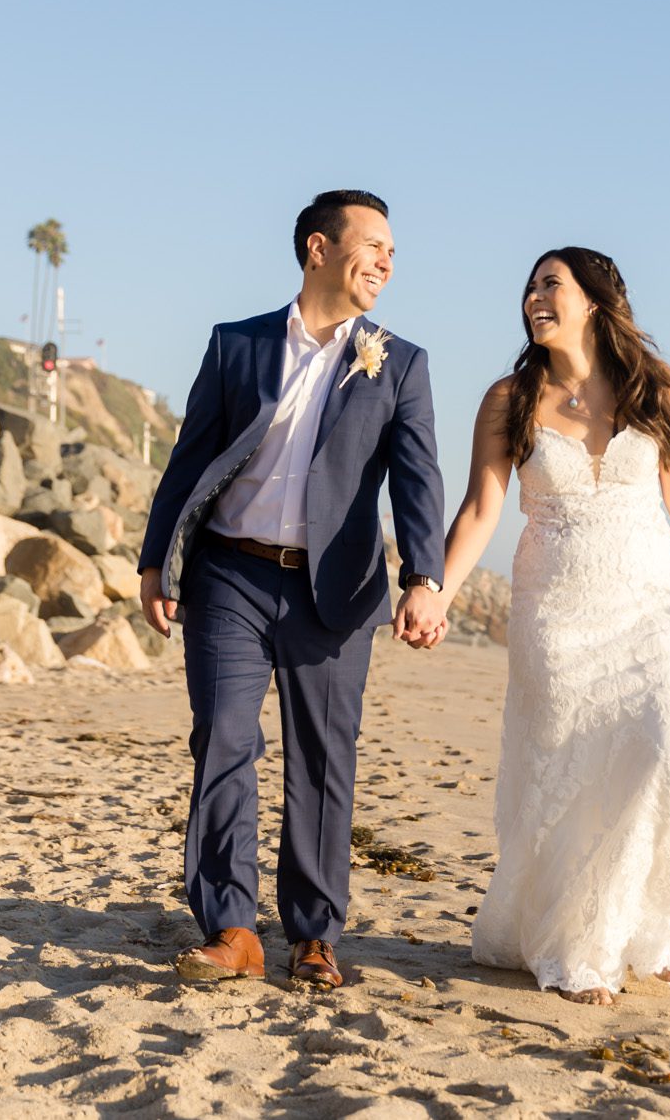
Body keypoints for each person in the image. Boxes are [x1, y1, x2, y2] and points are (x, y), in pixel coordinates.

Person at [137, 189, 446, 992]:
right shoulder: (236, 344)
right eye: (372, 243)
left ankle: (313, 936)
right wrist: (155, 564)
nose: (385, 260)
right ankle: (233, 928)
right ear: (318, 247)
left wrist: (424, 575)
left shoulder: (399, 361)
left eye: (392, 250)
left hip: (334, 592)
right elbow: (188, 459)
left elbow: (418, 482)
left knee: (322, 759)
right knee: (223, 740)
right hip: (228, 575)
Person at [425, 246, 670, 1006]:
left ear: (597, 301)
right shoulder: (511, 397)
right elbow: (480, 509)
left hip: (650, 607)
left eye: (550, 284)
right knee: (569, 769)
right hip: (556, 608)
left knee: (669, 754)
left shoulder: (655, 388)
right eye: (530, 286)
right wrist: (436, 588)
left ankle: (663, 927)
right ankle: (582, 948)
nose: (533, 297)